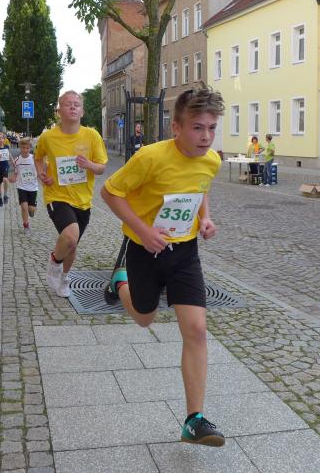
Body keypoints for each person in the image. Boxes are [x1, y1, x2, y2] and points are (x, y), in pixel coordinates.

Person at [101, 87, 226, 447]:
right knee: (144, 318)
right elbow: (110, 192)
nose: (206, 137)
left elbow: (201, 188)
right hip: (145, 251)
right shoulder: (150, 157)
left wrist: (205, 219)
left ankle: (194, 420)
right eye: (197, 128)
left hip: (184, 252)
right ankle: (120, 283)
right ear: (176, 128)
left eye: (211, 128)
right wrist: (142, 231)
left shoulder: (211, 160)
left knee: (196, 329)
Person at [35, 90, 108, 297]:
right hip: (56, 196)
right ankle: (54, 262)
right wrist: (41, 174)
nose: (73, 106)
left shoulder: (92, 136)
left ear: (82, 111)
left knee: (72, 245)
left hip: (83, 200)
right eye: (68, 104)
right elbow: (38, 157)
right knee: (69, 236)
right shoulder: (48, 137)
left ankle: (65, 278)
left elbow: (101, 167)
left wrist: (89, 164)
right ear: (59, 111)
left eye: (77, 104)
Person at [16, 137, 38, 231]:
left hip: (33, 187)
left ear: (30, 148)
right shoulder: (17, 160)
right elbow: (16, 172)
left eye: (27, 148)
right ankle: (26, 224)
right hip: (21, 186)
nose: (25, 150)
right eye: (23, 148)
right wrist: (13, 177)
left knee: (31, 209)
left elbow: (40, 169)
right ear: (20, 148)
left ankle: (32, 209)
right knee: (24, 207)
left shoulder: (34, 158)